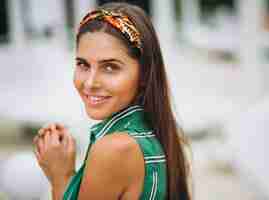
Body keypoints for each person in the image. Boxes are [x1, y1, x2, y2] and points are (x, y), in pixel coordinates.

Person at [33, 2, 191, 200]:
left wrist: (60, 176)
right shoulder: (155, 130)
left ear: (144, 74)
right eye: (83, 64)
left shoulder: (114, 149)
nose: (90, 83)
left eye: (110, 67)